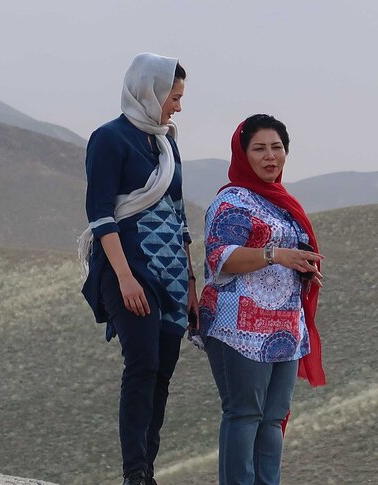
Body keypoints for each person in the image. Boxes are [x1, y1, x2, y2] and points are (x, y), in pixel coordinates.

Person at [78, 52, 198, 485]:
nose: (178, 106)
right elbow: (100, 213)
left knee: (163, 371)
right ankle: (134, 474)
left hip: (171, 275)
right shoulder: (109, 138)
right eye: (174, 96)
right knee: (142, 363)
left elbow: (179, 215)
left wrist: (191, 285)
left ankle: (148, 469)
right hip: (127, 270)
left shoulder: (167, 143)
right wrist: (125, 278)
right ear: (150, 89)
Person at [197, 114, 326, 485]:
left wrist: (301, 266)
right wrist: (277, 255)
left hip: (284, 326)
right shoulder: (232, 200)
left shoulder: (283, 202)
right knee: (244, 414)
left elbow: (290, 252)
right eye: (259, 149)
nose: (270, 156)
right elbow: (220, 257)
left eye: (277, 148)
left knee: (273, 419)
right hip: (239, 327)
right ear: (242, 153)